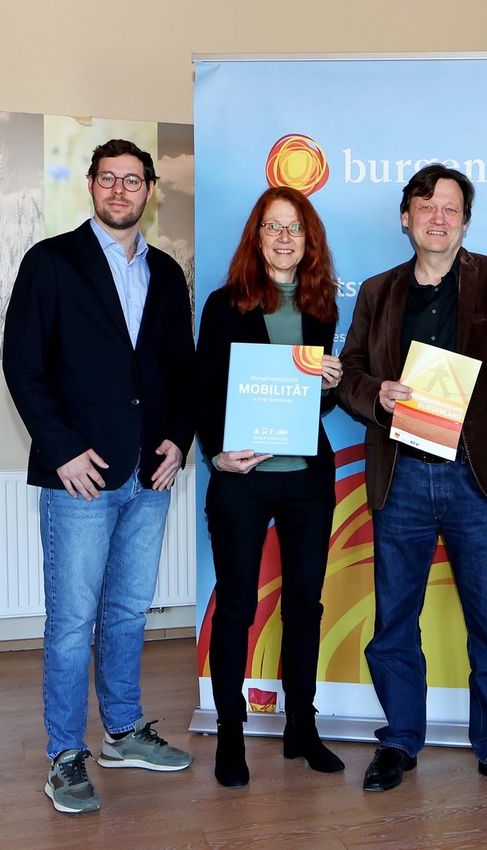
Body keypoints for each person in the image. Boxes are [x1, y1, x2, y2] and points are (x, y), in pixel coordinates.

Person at [337, 164, 487, 798]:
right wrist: (377, 392)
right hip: (399, 477)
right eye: (426, 206)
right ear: (406, 218)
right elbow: (349, 374)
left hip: (476, 477)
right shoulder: (378, 292)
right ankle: (400, 739)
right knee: (392, 620)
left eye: (451, 208)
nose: (438, 217)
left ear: (466, 220)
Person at [3, 139, 195, 815]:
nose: (121, 190)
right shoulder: (51, 262)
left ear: (149, 191)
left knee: (126, 612)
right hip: (79, 477)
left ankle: (123, 730)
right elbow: (23, 366)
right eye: (109, 179)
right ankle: (65, 754)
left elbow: (180, 372)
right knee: (72, 621)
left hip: (150, 474)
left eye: (133, 180)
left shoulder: (168, 275)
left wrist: (180, 440)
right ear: (91, 186)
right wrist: (60, 451)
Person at [195, 186, 344, 788]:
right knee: (237, 606)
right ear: (256, 238)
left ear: (309, 242)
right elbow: (202, 388)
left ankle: (300, 729)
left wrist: (330, 383)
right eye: (273, 227)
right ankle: (231, 733)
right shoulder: (223, 303)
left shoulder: (323, 307)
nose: (284, 238)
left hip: (306, 479)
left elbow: (311, 401)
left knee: (304, 605)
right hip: (242, 480)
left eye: (295, 228)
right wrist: (215, 453)